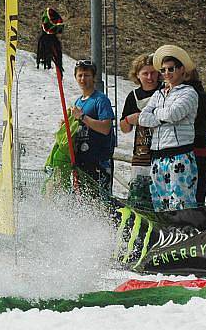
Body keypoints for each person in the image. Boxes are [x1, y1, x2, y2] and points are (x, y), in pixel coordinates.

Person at [125, 45, 198, 211]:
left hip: (179, 155)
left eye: (171, 69)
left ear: (181, 70)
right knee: (160, 205)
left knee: (181, 204)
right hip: (158, 158)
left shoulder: (189, 92)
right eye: (163, 70)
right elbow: (143, 117)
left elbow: (174, 114)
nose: (166, 74)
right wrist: (162, 117)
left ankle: (184, 233)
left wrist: (155, 114)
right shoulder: (159, 94)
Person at [120, 54, 160, 208]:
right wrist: (130, 119)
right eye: (145, 73)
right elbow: (124, 128)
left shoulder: (163, 91)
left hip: (160, 153)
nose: (150, 77)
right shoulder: (133, 96)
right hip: (141, 154)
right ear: (137, 75)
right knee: (139, 199)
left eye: (153, 72)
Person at [69, 60, 115, 195]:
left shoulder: (100, 100)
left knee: (100, 201)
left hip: (99, 160)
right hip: (82, 161)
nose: (83, 79)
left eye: (87, 75)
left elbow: (106, 128)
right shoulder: (78, 101)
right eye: (80, 75)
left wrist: (83, 117)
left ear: (93, 77)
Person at [187, 69, 206, 205]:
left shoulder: (185, 97)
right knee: (199, 202)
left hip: (188, 154)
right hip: (205, 154)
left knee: (185, 204)